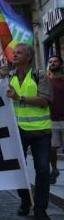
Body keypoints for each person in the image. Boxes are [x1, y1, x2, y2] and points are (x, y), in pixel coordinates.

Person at [2, 43, 53, 220]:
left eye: (19, 53)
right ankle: (25, 201)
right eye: (14, 53)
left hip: (40, 132)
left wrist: (20, 98)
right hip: (18, 132)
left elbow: (45, 100)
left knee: (42, 171)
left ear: (28, 57)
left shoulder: (40, 76)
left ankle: (40, 209)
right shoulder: (10, 77)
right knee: (18, 170)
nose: (14, 55)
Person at [47, 55, 64, 185]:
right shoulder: (46, 81)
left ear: (61, 64)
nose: (53, 63)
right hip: (51, 120)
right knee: (52, 149)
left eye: (55, 61)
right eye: (51, 61)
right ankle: (54, 170)